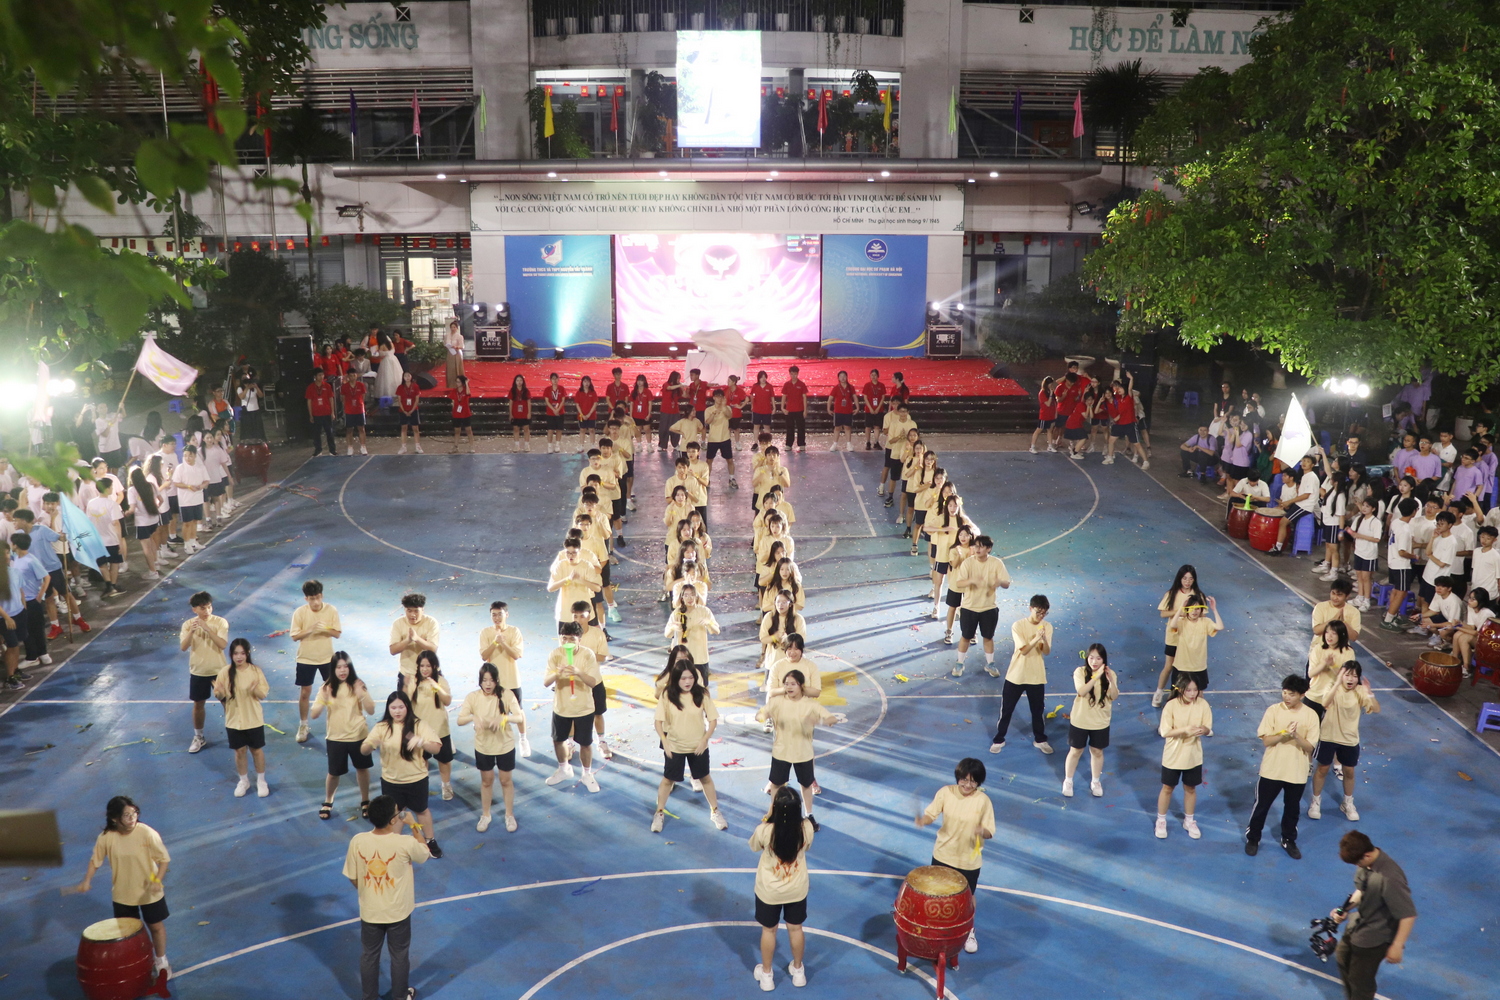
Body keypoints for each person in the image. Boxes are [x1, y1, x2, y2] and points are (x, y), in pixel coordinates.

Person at [64, 796, 173, 979]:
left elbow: (164, 859)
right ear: (114, 818)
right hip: (123, 894)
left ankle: (161, 961)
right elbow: (95, 861)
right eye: (126, 815)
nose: (132, 818)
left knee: (155, 927)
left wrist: (157, 880)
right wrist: (87, 880)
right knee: (130, 934)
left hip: (149, 892)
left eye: (134, 813)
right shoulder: (106, 838)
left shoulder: (147, 833)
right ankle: (139, 963)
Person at [343, 794, 429, 1000]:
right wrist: (414, 826)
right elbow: (424, 853)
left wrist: (368, 893)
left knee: (369, 956)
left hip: (370, 911)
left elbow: (353, 876)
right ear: (393, 820)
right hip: (398, 912)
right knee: (399, 956)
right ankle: (400, 997)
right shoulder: (404, 842)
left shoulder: (358, 841)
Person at [915, 757, 995, 955]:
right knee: (937, 895)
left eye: (973, 781)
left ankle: (969, 931)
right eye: (964, 779)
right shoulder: (946, 792)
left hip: (969, 860)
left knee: (967, 898)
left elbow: (989, 832)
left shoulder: (983, 801)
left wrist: (981, 831)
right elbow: (931, 814)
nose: (967, 785)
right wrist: (924, 820)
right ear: (958, 777)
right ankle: (938, 928)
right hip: (943, 854)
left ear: (979, 782)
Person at [1330, 831, 1417, 1000]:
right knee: (1342, 958)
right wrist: (1345, 909)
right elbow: (1362, 889)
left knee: (1360, 980)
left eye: (1357, 862)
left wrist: (1397, 945)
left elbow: (1408, 915)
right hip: (1358, 925)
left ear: (1367, 855)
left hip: (1375, 937)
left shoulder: (1390, 878)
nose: (1357, 866)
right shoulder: (1366, 864)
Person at [755, 669, 844, 827]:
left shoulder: (810, 704)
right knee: (776, 784)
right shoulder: (777, 702)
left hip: (803, 753)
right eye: (786, 684)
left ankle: (809, 815)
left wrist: (817, 720)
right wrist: (764, 716)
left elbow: (831, 719)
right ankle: (774, 813)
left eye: (793, 684)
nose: (789, 687)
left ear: (801, 685)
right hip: (781, 752)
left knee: (806, 785)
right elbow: (759, 715)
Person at [361, 691, 444, 858]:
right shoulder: (382, 727)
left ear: (407, 707)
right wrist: (370, 745)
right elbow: (364, 750)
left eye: (401, 707)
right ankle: (394, 842)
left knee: (422, 811)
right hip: (391, 780)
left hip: (416, 778)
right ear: (388, 708)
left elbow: (436, 748)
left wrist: (422, 742)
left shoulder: (419, 725)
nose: (397, 711)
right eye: (393, 708)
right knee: (395, 813)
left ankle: (429, 840)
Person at [749, 786, 817, 992]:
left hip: (769, 891)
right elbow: (807, 847)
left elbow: (754, 846)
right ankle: (798, 971)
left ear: (775, 808)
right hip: (796, 888)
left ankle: (767, 975)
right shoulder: (807, 828)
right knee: (796, 928)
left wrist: (766, 818)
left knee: (769, 930)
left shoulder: (765, 830)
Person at [1245, 674, 1320, 859]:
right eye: (1285, 692)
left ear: (1302, 695)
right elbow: (1266, 741)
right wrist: (1284, 734)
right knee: (1261, 806)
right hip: (1272, 769)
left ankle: (1288, 839)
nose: (1286, 697)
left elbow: (1310, 747)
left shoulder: (1311, 715)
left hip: (1297, 771)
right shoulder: (1273, 711)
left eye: (1291, 694)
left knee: (1292, 809)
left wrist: (1295, 736)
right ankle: (1253, 838)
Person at [652, 659, 729, 833]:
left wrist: (705, 739)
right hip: (675, 746)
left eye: (690, 678)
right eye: (683, 678)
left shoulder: (702, 694)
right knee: (668, 780)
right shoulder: (667, 695)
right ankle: (659, 813)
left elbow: (713, 720)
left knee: (705, 778)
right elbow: (658, 722)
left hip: (698, 747)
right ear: (676, 679)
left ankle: (715, 811)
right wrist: (664, 741)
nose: (687, 682)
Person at [457, 662, 525, 833]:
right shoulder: (473, 697)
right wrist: (473, 718)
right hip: (484, 747)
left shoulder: (507, 694)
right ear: (480, 681)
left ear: (497, 681)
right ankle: (486, 815)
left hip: (504, 745)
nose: (488, 684)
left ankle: (509, 815)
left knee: (505, 781)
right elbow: (460, 720)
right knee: (486, 781)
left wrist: (504, 718)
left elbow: (519, 717)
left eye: (491, 680)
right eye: (484, 680)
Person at [1309, 661, 1381, 822]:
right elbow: (1325, 703)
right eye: (1347, 675)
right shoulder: (1331, 687)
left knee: (1349, 772)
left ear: (1358, 678)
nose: (1350, 679)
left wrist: (1369, 693)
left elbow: (1376, 709)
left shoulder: (1360, 691)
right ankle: (1315, 801)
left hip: (1349, 739)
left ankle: (1347, 803)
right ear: (1341, 675)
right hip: (1328, 736)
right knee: (1322, 769)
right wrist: (1337, 683)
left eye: (1354, 676)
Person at [311, 652, 376, 821]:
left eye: (345, 666)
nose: (342, 670)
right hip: (336, 738)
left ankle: (365, 800)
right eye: (338, 667)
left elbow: (371, 710)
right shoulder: (326, 688)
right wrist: (324, 700)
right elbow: (314, 714)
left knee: (362, 769)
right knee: (333, 773)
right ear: (333, 669)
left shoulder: (358, 684)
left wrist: (361, 694)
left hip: (358, 736)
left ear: (350, 667)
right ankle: (328, 801)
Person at [988, 594, 1053, 754]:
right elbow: (1023, 650)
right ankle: (999, 739)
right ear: (1030, 609)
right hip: (1016, 675)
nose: (1041, 616)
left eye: (1044, 613)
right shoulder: (1018, 625)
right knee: (1006, 710)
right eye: (1038, 612)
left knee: (1037, 711)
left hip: (1036, 675)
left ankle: (1040, 740)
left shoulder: (1047, 626)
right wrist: (1036, 638)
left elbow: (1046, 651)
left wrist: (1044, 639)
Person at [544, 621, 602, 792]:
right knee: (558, 740)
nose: (567, 642)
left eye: (572, 639)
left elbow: (593, 682)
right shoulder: (555, 654)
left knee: (585, 743)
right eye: (564, 638)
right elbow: (546, 682)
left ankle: (587, 774)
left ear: (579, 640)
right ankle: (564, 769)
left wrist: (578, 672)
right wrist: (557, 673)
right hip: (562, 707)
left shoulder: (587, 655)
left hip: (584, 707)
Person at [213, 637, 271, 798]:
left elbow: (263, 694)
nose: (239, 657)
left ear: (247, 654)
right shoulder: (224, 672)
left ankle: (261, 781)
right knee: (239, 751)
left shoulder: (255, 671)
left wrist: (254, 690)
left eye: (242, 653)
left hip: (253, 718)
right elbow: (219, 695)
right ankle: (244, 781)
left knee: (256, 750)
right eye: (236, 653)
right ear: (231, 655)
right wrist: (219, 692)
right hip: (234, 720)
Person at [1156, 674, 1213, 839]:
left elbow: (1208, 729)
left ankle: (1189, 820)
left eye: (1195, 690)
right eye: (1188, 690)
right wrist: (1185, 730)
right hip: (1173, 756)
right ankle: (1161, 820)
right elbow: (1165, 731)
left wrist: (1204, 730)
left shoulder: (1203, 705)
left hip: (1193, 756)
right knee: (1167, 788)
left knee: (1190, 788)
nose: (1192, 694)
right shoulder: (1171, 706)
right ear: (1180, 689)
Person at [949, 535, 1011, 678]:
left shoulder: (996, 563)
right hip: (969, 607)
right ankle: (959, 663)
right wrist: (971, 580)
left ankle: (990, 664)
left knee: (988, 637)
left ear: (988, 549)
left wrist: (1000, 582)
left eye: (981, 546)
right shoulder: (968, 563)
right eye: (976, 546)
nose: (977, 549)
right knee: (965, 637)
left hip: (989, 607)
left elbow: (1006, 583)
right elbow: (959, 583)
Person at [1063, 643, 1118, 797]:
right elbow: (1082, 691)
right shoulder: (1080, 672)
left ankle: (1095, 781)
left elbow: (1114, 696)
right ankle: (1068, 780)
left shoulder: (1110, 674)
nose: (1094, 662)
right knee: (1076, 750)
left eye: (1098, 658)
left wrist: (1111, 681)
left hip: (1100, 721)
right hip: (1080, 719)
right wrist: (1096, 676)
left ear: (1104, 659)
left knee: (1097, 751)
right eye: (1091, 658)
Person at [291, 579, 342, 744]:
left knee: (333, 691)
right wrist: (311, 630)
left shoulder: (331, 610)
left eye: (318, 597)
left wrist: (325, 629)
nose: (316, 602)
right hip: (306, 658)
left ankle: (336, 723)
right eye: (312, 598)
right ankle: (303, 725)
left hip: (327, 658)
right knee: (305, 692)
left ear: (322, 595)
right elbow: (294, 636)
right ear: (306, 598)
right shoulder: (300, 613)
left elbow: (337, 633)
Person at [478, 600, 531, 754]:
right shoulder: (485, 633)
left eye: (499, 614)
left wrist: (503, 643)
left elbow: (516, 655)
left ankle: (523, 739)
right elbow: (484, 656)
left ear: (506, 614)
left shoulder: (514, 631)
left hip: (512, 679)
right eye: (493, 615)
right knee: (496, 712)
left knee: (518, 711)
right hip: (493, 682)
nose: (496, 618)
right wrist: (495, 642)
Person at [179, 590, 228, 753]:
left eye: (209, 607)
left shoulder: (220, 622)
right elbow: (183, 647)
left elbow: (222, 644)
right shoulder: (187, 625)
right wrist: (192, 632)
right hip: (198, 671)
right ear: (194, 609)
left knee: (227, 703)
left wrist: (207, 629)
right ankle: (199, 737)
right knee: (198, 704)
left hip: (219, 670)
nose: (207, 611)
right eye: (202, 608)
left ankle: (236, 732)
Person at [402, 651, 455, 802]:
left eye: (428, 666)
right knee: (421, 760)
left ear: (435, 666)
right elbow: (404, 702)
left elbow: (447, 701)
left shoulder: (441, 681)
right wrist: (405, 685)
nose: (424, 669)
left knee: (444, 760)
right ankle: (422, 787)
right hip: (421, 731)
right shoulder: (414, 682)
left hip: (440, 729)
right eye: (422, 666)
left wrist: (436, 687)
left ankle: (446, 785)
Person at [1152, 565, 1204, 707]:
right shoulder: (1171, 594)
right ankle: (1159, 692)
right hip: (1174, 637)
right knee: (1169, 666)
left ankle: (1181, 695)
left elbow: (1203, 614)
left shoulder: (1198, 595)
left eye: (1191, 579)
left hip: (1189, 639)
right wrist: (1180, 612)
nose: (1187, 582)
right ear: (1179, 579)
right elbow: (1163, 613)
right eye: (1185, 578)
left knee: (1187, 669)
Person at [1378, 498, 1421, 631]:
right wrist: (1414, 556)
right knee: (1401, 592)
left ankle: (1392, 615)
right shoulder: (1405, 529)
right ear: (1414, 511)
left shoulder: (1396, 522)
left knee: (1396, 590)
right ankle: (1388, 620)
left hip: (1392, 561)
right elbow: (1402, 552)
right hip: (1401, 564)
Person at [1165, 595, 1223, 692]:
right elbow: (1172, 625)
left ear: (1201, 610)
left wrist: (1214, 609)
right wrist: (1181, 607)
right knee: (1178, 694)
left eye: (1197, 609)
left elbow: (1220, 627)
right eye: (1191, 608)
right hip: (1182, 665)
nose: (1194, 611)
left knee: (1198, 693)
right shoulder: (1181, 622)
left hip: (1199, 666)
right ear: (1187, 609)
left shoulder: (1206, 622)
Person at [388, 593, 439, 689]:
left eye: (416, 611)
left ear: (422, 610)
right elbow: (393, 650)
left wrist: (417, 639)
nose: (412, 614)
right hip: (407, 674)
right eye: (409, 610)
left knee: (433, 699)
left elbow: (433, 649)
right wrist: (408, 640)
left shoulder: (431, 622)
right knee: (404, 699)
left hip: (429, 674)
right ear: (405, 610)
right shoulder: (398, 624)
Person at [1454, 587, 1495, 678]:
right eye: (1470, 598)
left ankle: (1467, 667)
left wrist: (1459, 628)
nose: (1469, 601)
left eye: (1473, 599)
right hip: (1479, 637)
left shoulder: (1486, 613)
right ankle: (1455, 660)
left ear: (1480, 601)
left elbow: (1477, 633)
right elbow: (1471, 626)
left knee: (1464, 638)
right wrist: (1460, 623)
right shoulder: (1471, 608)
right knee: (1457, 635)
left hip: (1489, 642)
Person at [703, 388, 740, 489]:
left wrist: (723, 406)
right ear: (714, 398)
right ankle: (707, 479)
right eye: (717, 397)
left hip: (725, 438)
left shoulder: (727, 408)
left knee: (730, 460)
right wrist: (713, 414)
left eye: (721, 397)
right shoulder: (709, 410)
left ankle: (732, 479)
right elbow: (708, 422)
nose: (719, 399)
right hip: (713, 439)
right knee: (709, 460)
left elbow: (729, 416)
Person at [306, 369, 337, 456]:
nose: (321, 377)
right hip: (316, 414)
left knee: (329, 432)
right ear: (315, 376)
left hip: (326, 413)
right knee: (316, 433)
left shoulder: (327, 386)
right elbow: (309, 401)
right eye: (319, 375)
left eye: (322, 375)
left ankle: (332, 450)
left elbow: (331, 399)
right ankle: (318, 450)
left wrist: (332, 412)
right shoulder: (310, 387)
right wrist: (311, 415)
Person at [780, 365, 809, 452]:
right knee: (789, 428)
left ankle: (802, 444)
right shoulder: (787, 384)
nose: (793, 376)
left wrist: (805, 410)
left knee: (801, 428)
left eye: (795, 374)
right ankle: (789, 444)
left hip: (800, 410)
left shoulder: (801, 384)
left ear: (798, 374)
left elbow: (804, 397)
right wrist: (782, 408)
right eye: (792, 374)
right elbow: (784, 396)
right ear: (789, 374)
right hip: (789, 410)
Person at [826, 369, 856, 451]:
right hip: (838, 411)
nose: (843, 378)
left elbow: (854, 397)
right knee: (837, 428)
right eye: (841, 376)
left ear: (847, 377)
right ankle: (835, 444)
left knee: (847, 427)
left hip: (848, 411)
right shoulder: (836, 388)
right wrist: (828, 408)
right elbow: (830, 399)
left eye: (844, 376)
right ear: (838, 378)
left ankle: (849, 444)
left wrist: (857, 407)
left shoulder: (851, 387)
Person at [395, 370, 423, 455]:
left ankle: (418, 446)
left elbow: (417, 400)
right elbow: (399, 400)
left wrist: (411, 410)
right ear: (403, 377)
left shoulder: (415, 386)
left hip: (413, 410)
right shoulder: (400, 387)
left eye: (408, 376)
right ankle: (403, 447)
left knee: (415, 428)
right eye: (405, 376)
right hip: (403, 410)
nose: (407, 378)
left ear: (411, 377)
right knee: (404, 428)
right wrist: (404, 410)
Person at [339, 372, 367, 456]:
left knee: (361, 428)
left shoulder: (361, 385)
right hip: (349, 411)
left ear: (356, 376)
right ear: (348, 376)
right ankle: (350, 447)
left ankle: (363, 447)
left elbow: (363, 396)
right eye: (351, 376)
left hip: (359, 410)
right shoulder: (344, 387)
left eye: (354, 375)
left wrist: (360, 404)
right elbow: (343, 398)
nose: (352, 377)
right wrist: (347, 406)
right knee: (349, 429)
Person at [860, 368, 887, 450]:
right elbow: (865, 398)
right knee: (868, 426)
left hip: (879, 409)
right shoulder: (867, 385)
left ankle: (876, 442)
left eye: (875, 375)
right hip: (869, 410)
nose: (873, 377)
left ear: (878, 376)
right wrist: (870, 408)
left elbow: (883, 398)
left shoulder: (881, 385)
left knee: (877, 426)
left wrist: (878, 408)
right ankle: (868, 442)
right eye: (872, 375)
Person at [1029, 377, 1058, 455]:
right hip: (1045, 415)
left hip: (1051, 414)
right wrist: (1051, 395)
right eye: (1050, 384)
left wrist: (1055, 413)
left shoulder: (1051, 392)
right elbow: (1048, 404)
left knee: (1050, 430)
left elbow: (1054, 403)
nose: (1051, 385)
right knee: (1039, 430)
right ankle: (1032, 446)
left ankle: (1050, 446)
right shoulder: (1042, 393)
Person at [448, 374, 475, 454]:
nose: (457, 383)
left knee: (468, 430)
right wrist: (454, 411)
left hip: (465, 413)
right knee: (457, 431)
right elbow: (453, 402)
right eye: (456, 382)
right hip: (457, 414)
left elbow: (468, 393)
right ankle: (455, 447)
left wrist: (466, 383)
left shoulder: (465, 390)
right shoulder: (454, 391)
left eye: (459, 382)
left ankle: (471, 446)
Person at [507, 374, 533, 452]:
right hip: (515, 413)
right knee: (516, 429)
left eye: (521, 380)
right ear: (515, 382)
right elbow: (510, 403)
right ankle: (516, 445)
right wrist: (511, 414)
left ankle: (527, 445)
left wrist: (529, 413)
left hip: (524, 413)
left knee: (526, 429)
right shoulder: (512, 391)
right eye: (517, 380)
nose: (519, 382)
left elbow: (529, 402)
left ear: (523, 381)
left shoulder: (526, 391)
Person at [443, 317, 465, 387]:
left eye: (454, 327)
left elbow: (462, 346)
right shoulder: (447, 336)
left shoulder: (459, 336)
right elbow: (444, 343)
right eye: (451, 327)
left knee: (457, 368)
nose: (453, 329)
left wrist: (456, 347)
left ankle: (460, 383)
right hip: (450, 353)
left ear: (457, 328)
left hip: (457, 353)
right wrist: (448, 346)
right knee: (450, 369)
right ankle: (451, 384)